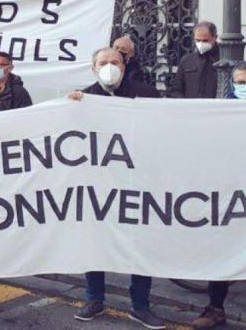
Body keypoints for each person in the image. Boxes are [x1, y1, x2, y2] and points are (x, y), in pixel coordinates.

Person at [69, 48, 163, 329]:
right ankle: (94, 298)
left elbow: (160, 132)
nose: (109, 66)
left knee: (139, 243)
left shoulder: (145, 93)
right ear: (93, 68)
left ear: (124, 65)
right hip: (97, 184)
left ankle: (140, 305)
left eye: (114, 62)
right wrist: (69, 108)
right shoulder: (83, 97)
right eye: (103, 63)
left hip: (137, 181)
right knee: (94, 241)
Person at [190, 61, 246, 330]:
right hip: (228, 194)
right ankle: (215, 307)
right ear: (231, 84)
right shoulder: (219, 113)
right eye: (240, 83)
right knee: (222, 252)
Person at [167, 22, 219, 99]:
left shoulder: (223, 60)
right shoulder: (187, 60)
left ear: (215, 37)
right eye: (197, 40)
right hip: (191, 108)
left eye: (205, 41)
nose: (201, 44)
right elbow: (176, 90)